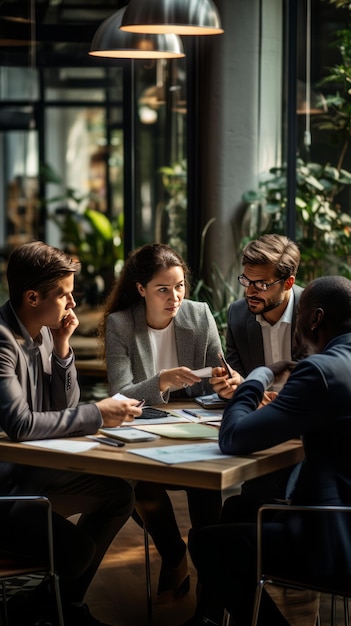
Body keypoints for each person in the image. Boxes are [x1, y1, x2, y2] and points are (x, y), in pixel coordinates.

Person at [187, 274, 351, 625]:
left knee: (207, 544)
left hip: (335, 540)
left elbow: (233, 438)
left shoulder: (323, 370)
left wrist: (260, 376)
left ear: (316, 319)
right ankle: (209, 618)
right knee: (239, 508)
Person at [0, 241, 143, 626]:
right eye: (64, 294)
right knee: (77, 552)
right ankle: (45, 609)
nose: (73, 303)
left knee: (118, 494)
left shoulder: (46, 333)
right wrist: (97, 413)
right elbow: (22, 425)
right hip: (8, 490)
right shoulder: (1, 342)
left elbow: (60, 410)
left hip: (31, 474)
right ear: (32, 297)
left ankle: (58, 609)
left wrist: (62, 349)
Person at [100, 243, 224, 600]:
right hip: (145, 429)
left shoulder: (199, 316)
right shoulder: (121, 323)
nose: (175, 297)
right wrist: (162, 381)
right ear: (141, 289)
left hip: (194, 428)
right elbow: (121, 393)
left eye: (180, 286)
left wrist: (226, 383)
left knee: (206, 489)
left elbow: (217, 376)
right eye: (163, 289)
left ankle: (212, 594)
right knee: (139, 485)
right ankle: (174, 555)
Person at [210, 234, 303, 521]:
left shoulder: (314, 311)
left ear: (288, 283)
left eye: (261, 284)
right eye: (246, 281)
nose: (250, 291)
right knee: (231, 517)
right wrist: (231, 387)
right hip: (262, 435)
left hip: (307, 437)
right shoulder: (239, 314)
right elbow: (238, 376)